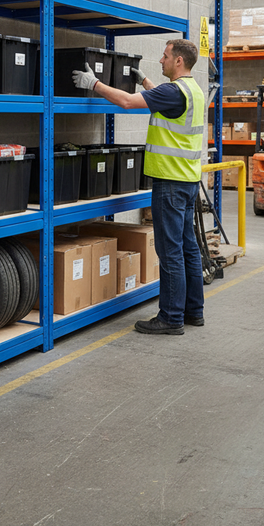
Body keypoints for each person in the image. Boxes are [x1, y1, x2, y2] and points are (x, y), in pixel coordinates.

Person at [72, 39, 206, 335]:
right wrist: (144, 81)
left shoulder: (174, 91)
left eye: (165, 56)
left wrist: (94, 84)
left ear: (179, 61)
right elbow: (162, 100)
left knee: (170, 252)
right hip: (187, 182)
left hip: (170, 183)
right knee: (188, 249)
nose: (161, 60)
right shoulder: (192, 90)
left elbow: (127, 102)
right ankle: (193, 311)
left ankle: (171, 317)